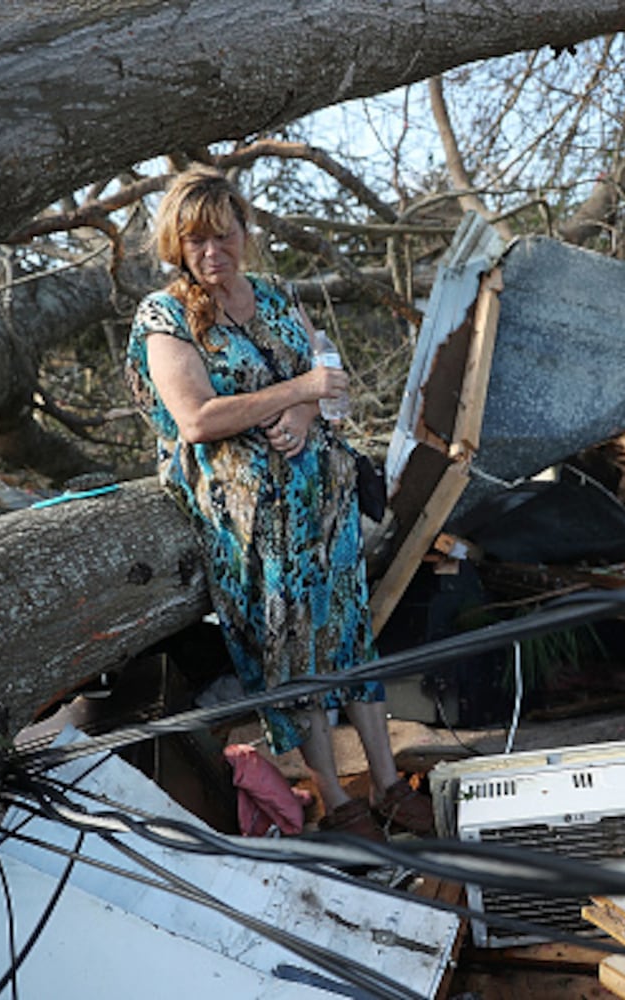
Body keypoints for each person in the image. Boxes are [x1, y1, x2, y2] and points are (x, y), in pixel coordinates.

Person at [125, 165, 432, 840]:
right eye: (196, 240)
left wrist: (314, 410)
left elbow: (336, 387)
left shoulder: (275, 294)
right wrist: (295, 394)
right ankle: (336, 800)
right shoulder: (164, 316)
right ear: (177, 244)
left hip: (323, 507)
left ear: (244, 231)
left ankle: (386, 786)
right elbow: (198, 419)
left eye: (224, 235)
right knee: (293, 654)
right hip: (252, 526)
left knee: (350, 640)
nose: (213, 252)